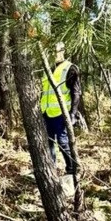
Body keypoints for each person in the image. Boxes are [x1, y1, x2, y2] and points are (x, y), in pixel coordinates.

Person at [40, 42, 81, 174]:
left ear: (63, 51)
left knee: (63, 142)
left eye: (56, 52)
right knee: (48, 142)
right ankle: (51, 169)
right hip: (46, 112)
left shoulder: (70, 68)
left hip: (61, 113)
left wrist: (73, 114)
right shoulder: (48, 68)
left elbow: (76, 92)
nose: (54, 55)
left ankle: (72, 170)